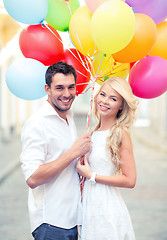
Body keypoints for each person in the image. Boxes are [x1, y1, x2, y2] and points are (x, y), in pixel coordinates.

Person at [20, 61, 92, 240]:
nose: (67, 94)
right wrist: (73, 153)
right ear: (47, 89)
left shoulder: (68, 115)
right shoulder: (37, 123)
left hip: (72, 220)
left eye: (71, 87)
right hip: (51, 224)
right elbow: (32, 178)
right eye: (59, 88)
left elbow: (65, 162)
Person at [76, 76, 138, 240]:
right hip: (90, 208)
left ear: (120, 106)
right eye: (103, 94)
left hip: (107, 209)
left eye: (113, 98)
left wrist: (92, 176)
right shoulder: (92, 133)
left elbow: (130, 180)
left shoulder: (119, 134)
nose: (105, 101)